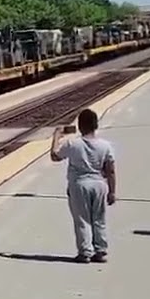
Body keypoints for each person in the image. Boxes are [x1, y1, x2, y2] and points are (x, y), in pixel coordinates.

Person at [50, 108, 117, 262]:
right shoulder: (105, 145)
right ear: (96, 125)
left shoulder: (72, 143)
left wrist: (56, 137)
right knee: (99, 218)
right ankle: (100, 250)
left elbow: (55, 156)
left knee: (82, 219)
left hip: (79, 185)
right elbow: (111, 170)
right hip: (100, 184)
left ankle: (85, 252)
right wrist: (112, 191)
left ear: (80, 126)